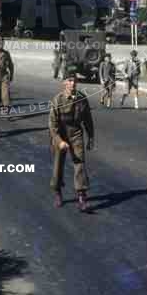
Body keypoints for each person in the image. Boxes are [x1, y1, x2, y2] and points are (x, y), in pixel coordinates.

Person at [49, 73, 94, 211]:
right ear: (64, 83)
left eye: (74, 81)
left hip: (75, 133)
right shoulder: (58, 100)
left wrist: (91, 137)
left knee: (79, 163)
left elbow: (88, 120)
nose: (73, 83)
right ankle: (57, 191)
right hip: (60, 134)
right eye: (69, 80)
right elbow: (52, 125)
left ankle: (82, 197)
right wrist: (59, 141)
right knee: (58, 165)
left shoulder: (82, 99)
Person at [0, 38, 14, 117]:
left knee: (5, 93)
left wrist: (12, 75)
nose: (1, 45)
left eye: (2, 43)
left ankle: (6, 108)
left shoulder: (6, 53)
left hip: (4, 76)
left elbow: (11, 65)